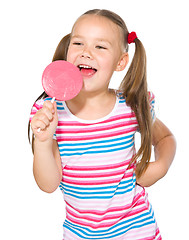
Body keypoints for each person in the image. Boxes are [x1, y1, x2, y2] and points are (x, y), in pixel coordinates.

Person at [29, 9, 176, 240]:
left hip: (138, 231)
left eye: (100, 46)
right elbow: (48, 184)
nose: (86, 53)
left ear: (120, 62)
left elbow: (165, 138)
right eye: (78, 43)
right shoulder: (49, 112)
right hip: (80, 234)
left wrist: (161, 166)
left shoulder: (131, 107)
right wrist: (43, 142)